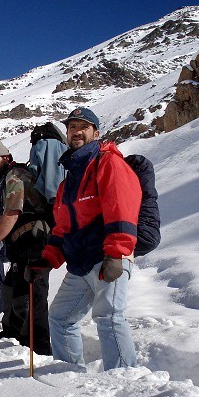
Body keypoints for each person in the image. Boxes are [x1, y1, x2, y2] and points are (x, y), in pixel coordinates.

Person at [25, 107, 141, 369]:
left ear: (96, 133)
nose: (76, 131)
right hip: (80, 262)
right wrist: (48, 260)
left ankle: (124, 380)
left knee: (109, 316)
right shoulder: (69, 181)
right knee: (60, 317)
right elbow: (63, 227)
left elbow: (122, 207)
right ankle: (69, 372)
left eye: (83, 127)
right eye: (71, 127)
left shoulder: (108, 163)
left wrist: (116, 252)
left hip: (107, 257)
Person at [0, 135, 53, 355]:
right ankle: (14, 336)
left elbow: (12, 215)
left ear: (5, 156)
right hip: (22, 246)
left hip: (34, 243)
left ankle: (38, 348)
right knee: (12, 292)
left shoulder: (15, 175)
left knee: (31, 297)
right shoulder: (7, 180)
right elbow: (1, 219)